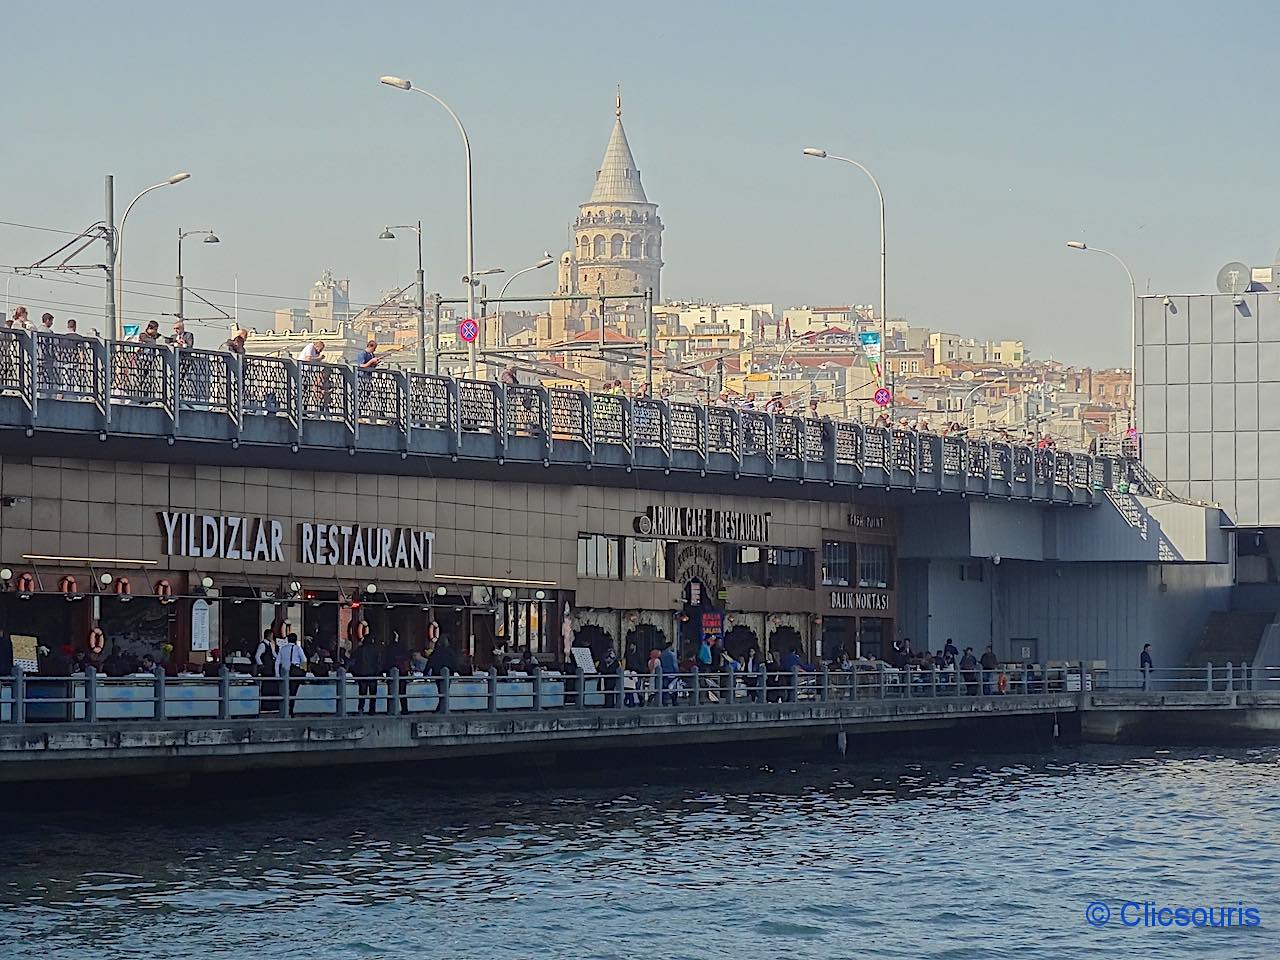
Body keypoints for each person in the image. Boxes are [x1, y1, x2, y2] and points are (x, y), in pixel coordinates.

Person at [352, 626, 383, 714]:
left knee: (362, 693)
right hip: (372, 674)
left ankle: (360, 709)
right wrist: (379, 672)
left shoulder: (359, 650)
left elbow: (354, 661)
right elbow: (378, 663)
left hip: (362, 674)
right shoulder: (375, 650)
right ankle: (372, 710)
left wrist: (355, 673)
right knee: (373, 694)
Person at [278, 631, 307, 710]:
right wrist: (304, 671)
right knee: (293, 692)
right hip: (294, 672)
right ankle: (291, 709)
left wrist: (277, 674)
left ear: (287, 640)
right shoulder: (298, 648)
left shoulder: (282, 649)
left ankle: (284, 709)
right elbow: (304, 659)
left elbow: (277, 663)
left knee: (284, 692)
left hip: (284, 672)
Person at [385, 634, 412, 713]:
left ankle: (390, 709)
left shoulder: (389, 648)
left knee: (391, 692)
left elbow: (387, 661)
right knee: (402, 692)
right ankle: (404, 709)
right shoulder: (403, 648)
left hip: (392, 671)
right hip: (402, 672)